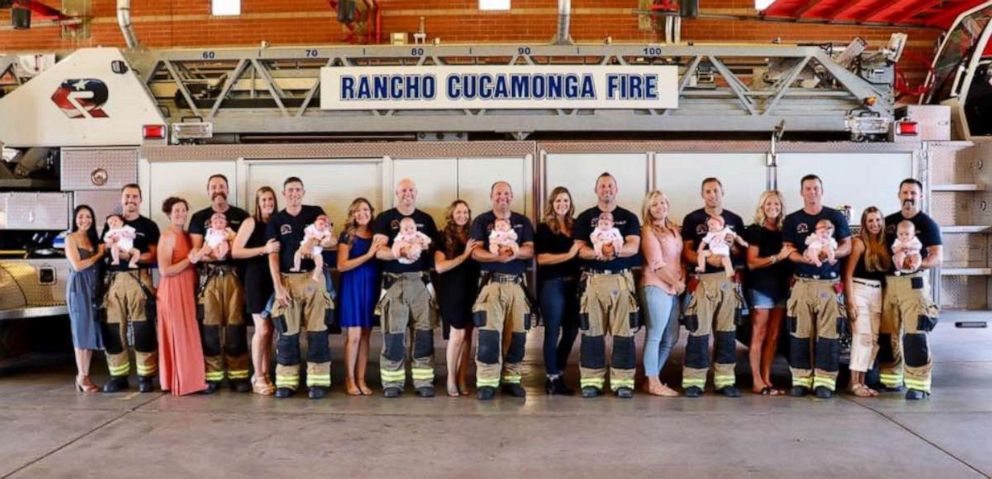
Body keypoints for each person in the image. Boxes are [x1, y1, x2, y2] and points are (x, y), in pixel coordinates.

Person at [782, 174, 852, 398]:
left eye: (816, 188)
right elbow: (789, 249)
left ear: (822, 190)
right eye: (808, 189)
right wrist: (803, 258)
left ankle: (825, 382)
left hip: (829, 284)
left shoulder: (835, 216)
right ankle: (800, 380)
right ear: (801, 192)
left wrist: (829, 254)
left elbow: (847, 246)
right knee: (800, 333)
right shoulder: (792, 220)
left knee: (829, 335)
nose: (812, 192)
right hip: (802, 283)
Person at [266, 177, 336, 399]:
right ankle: (287, 381)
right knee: (287, 331)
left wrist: (313, 243)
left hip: (314, 280)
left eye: (298, 190)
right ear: (283, 193)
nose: (294, 193)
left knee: (318, 331)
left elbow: (332, 240)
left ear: (303, 192)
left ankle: (318, 381)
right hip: (288, 280)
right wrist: (278, 286)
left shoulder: (315, 212)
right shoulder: (276, 220)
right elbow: (273, 255)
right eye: (290, 190)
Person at [574, 172, 641, 399]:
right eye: (602, 186)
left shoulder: (629, 217)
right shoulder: (585, 218)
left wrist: (612, 250)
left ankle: (623, 382)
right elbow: (579, 249)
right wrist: (598, 252)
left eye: (610, 186)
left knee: (624, 332)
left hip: (621, 279)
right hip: (593, 279)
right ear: (596, 190)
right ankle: (591, 381)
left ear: (616, 189)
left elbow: (633, 247)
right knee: (592, 331)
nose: (606, 190)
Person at [372, 178, 440, 398]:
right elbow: (379, 251)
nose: (407, 193)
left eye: (411, 190)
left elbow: (434, 250)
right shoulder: (385, 219)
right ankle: (392, 382)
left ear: (416, 193)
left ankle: (423, 381)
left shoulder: (426, 219)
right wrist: (398, 252)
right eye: (403, 190)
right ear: (396, 193)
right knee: (393, 335)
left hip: (420, 282)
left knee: (423, 334)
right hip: (394, 282)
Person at [680, 177, 746, 398]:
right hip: (703, 282)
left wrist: (732, 247)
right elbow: (687, 252)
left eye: (716, 190)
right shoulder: (692, 219)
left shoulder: (735, 220)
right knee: (699, 331)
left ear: (722, 192)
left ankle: (725, 381)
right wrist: (707, 261)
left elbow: (741, 253)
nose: (712, 194)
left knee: (727, 332)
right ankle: (694, 381)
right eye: (707, 191)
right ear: (702, 195)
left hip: (728, 282)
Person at [470, 181, 535, 400]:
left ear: (512, 196)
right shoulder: (482, 221)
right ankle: (487, 382)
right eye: (498, 193)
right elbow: (476, 252)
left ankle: (512, 380)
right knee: (489, 336)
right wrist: (497, 256)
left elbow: (530, 250)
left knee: (517, 336)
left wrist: (513, 253)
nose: (502, 197)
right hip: (491, 285)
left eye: (507, 193)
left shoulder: (522, 221)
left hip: (517, 286)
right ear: (491, 196)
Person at [880, 179, 943, 400]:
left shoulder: (928, 224)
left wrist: (917, 262)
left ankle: (918, 384)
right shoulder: (888, 222)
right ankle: (891, 379)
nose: (909, 196)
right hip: (889, 283)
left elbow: (937, 256)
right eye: (905, 192)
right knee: (888, 334)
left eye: (914, 192)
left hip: (914, 284)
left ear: (921, 196)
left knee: (915, 333)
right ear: (898, 195)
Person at [188, 174, 251, 393]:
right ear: (208, 191)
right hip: (209, 279)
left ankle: (238, 375)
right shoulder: (198, 218)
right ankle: (212, 376)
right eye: (213, 186)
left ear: (228, 189)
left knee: (235, 327)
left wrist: (225, 253)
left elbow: (240, 250)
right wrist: (215, 255)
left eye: (221, 186)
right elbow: (196, 252)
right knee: (210, 328)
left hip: (235, 278)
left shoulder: (241, 216)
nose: (218, 189)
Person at [101, 183, 160, 393]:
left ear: (140, 200)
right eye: (127, 196)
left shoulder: (149, 226)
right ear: (121, 199)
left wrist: (129, 256)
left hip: (139, 280)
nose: (130, 200)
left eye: (135, 197)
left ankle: (146, 376)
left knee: (143, 329)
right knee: (114, 330)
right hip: (114, 281)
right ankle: (118, 376)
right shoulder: (111, 224)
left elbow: (153, 255)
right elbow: (104, 251)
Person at [156, 197, 208, 396]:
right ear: (169, 214)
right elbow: (164, 270)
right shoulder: (168, 236)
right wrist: (189, 260)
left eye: (183, 210)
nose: (180, 214)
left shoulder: (186, 236)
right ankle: (182, 382)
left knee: (187, 334)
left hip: (186, 289)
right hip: (172, 290)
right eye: (176, 210)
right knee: (179, 335)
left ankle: (187, 379)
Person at [744, 190, 794, 396]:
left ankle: (767, 378)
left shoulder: (786, 231)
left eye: (776, 204)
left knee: (774, 336)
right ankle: (756, 380)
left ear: (781, 207)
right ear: (762, 207)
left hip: (781, 288)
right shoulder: (755, 230)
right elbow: (751, 262)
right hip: (761, 287)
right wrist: (776, 257)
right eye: (768, 204)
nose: (772, 208)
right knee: (759, 334)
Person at [232, 186, 281, 395]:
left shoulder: (278, 222)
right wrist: (263, 249)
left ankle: (264, 372)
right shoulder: (250, 222)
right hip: (255, 279)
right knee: (260, 329)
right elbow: (236, 251)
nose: (268, 203)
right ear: (257, 202)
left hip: (274, 279)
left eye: (270, 199)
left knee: (270, 330)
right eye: (264, 200)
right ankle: (258, 376)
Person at [535, 187, 581, 396]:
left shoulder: (576, 226)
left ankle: (559, 372)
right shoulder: (544, 228)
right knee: (552, 331)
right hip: (552, 284)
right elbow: (541, 259)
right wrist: (569, 254)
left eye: (566, 200)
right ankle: (552, 379)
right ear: (552, 204)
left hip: (574, 285)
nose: (562, 204)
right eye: (558, 201)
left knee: (571, 331)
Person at [336, 198, 384, 396]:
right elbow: (341, 265)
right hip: (352, 285)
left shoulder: (377, 235)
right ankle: (349, 379)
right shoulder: (347, 236)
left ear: (371, 212)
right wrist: (368, 254)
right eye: (357, 210)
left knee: (365, 335)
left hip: (371, 286)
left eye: (365, 209)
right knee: (354, 335)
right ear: (352, 214)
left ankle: (362, 378)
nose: (361, 213)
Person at [639, 190, 684, 397]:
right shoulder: (648, 231)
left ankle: (651, 377)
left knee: (671, 337)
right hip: (656, 286)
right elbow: (656, 265)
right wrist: (676, 282)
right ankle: (654, 382)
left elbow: (678, 258)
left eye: (663, 203)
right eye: (654, 204)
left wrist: (680, 279)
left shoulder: (674, 229)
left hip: (673, 288)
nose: (660, 207)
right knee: (655, 335)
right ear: (648, 208)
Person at [434, 200, 481, 397]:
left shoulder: (474, 235)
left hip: (472, 288)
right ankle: (450, 378)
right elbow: (440, 267)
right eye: (458, 212)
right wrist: (465, 255)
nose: (462, 215)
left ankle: (462, 377)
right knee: (457, 335)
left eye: (465, 212)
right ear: (451, 215)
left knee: (469, 335)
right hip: (451, 290)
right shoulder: (443, 236)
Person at [843, 206, 890, 397]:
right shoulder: (858, 243)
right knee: (861, 336)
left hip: (877, 293)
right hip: (859, 290)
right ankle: (854, 383)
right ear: (864, 223)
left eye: (877, 220)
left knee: (873, 340)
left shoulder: (885, 244)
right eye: (870, 221)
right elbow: (847, 274)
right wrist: (850, 302)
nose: (875, 224)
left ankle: (861, 382)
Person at [65, 205, 105, 393]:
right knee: (80, 331)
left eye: (88, 216)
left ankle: (84, 374)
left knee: (90, 331)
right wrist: (99, 254)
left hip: (94, 289)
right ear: (75, 219)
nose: (85, 220)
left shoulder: (92, 238)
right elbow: (78, 265)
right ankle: (82, 376)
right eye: (81, 216)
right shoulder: (70, 238)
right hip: (79, 288)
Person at [293, 214, 333, 281]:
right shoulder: (312, 227)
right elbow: (307, 233)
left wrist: (326, 237)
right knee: (297, 254)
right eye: (320, 224)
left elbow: (328, 238)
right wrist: (314, 236)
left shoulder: (325, 231)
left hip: (317, 250)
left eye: (325, 225)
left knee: (320, 263)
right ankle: (296, 267)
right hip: (305, 246)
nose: (322, 226)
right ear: (315, 223)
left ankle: (316, 275)